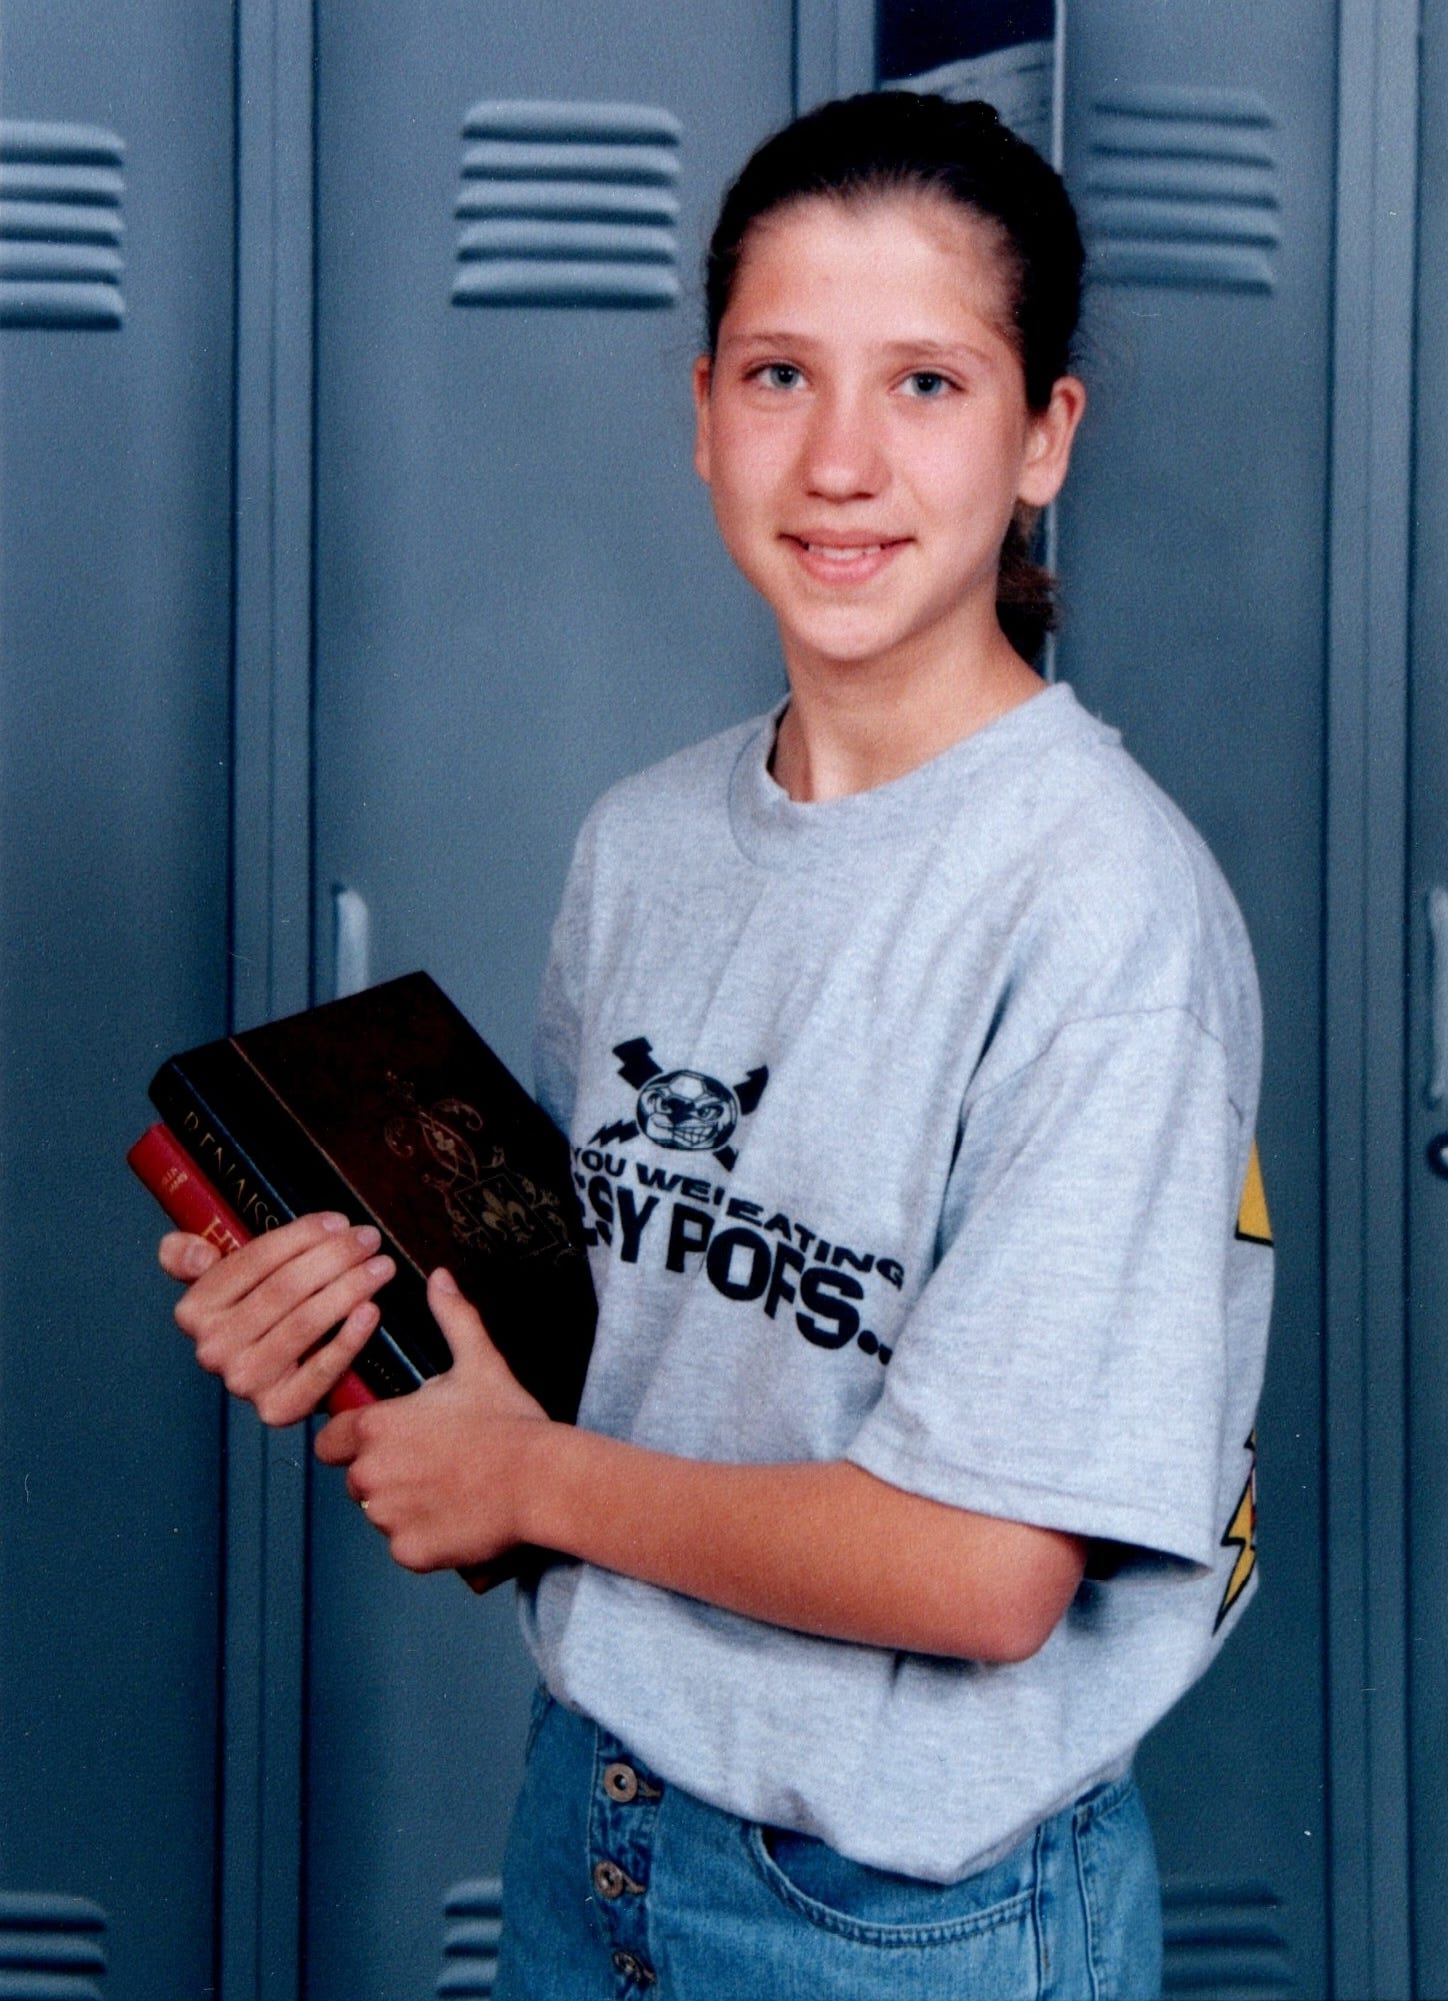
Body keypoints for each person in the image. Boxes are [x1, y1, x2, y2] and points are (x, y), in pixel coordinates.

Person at [160, 92, 1272, 2000]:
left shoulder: (1098, 909)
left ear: (1043, 438)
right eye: (780, 373)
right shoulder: (647, 844)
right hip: (592, 1816)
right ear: (700, 414)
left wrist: (524, 1483)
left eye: (926, 382)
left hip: (909, 1915)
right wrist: (360, 1332)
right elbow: (619, 1365)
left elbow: (990, 1575)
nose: (840, 458)